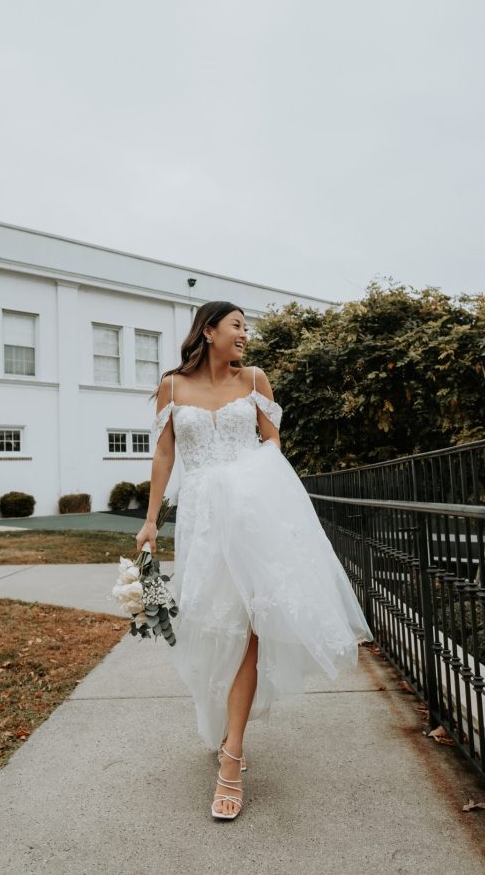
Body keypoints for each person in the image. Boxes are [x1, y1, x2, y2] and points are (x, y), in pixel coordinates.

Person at [136, 300, 373, 820]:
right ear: (209, 331)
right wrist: (152, 520)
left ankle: (232, 756)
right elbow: (165, 454)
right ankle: (223, 721)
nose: (245, 334)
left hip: (252, 514)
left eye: (246, 327)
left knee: (248, 626)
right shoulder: (172, 386)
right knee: (210, 623)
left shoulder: (256, 380)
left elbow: (273, 445)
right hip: (202, 516)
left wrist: (252, 490)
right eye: (237, 325)